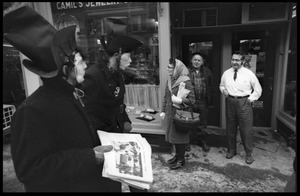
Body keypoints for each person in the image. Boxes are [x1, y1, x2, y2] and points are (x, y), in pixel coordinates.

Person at [4, 4, 118, 192]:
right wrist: (92, 157)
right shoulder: (31, 110)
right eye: (80, 62)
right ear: (66, 71)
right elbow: (31, 170)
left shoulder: (69, 94)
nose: (85, 65)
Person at [80, 35, 147, 192]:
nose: (130, 62)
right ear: (117, 55)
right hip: (101, 140)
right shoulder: (93, 75)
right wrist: (109, 135)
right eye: (128, 57)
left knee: (133, 178)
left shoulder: (117, 74)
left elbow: (119, 102)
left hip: (117, 133)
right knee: (107, 183)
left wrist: (125, 119)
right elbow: (87, 113)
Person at [219, 50, 262, 164]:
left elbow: (258, 90)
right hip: (230, 102)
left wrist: (250, 99)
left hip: (244, 103)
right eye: (233, 60)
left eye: (237, 60)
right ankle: (231, 150)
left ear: (242, 61)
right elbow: (221, 85)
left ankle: (248, 154)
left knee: (246, 130)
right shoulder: (226, 73)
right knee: (230, 128)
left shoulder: (249, 74)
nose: (234, 62)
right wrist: (223, 90)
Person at [159, 58, 195, 170]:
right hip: (171, 113)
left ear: (177, 69)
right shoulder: (170, 80)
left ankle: (181, 159)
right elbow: (166, 97)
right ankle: (177, 156)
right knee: (174, 137)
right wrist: (163, 110)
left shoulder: (186, 81)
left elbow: (192, 100)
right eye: (168, 67)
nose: (167, 69)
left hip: (180, 114)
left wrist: (181, 101)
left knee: (180, 138)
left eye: (170, 67)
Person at [187, 52, 213, 152]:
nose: (196, 62)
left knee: (202, 123)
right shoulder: (186, 71)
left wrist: (209, 99)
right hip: (190, 101)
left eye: (199, 60)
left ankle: (202, 141)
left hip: (203, 101)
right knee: (188, 122)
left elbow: (211, 86)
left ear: (202, 62)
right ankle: (186, 143)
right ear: (191, 60)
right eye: (195, 59)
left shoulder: (207, 71)